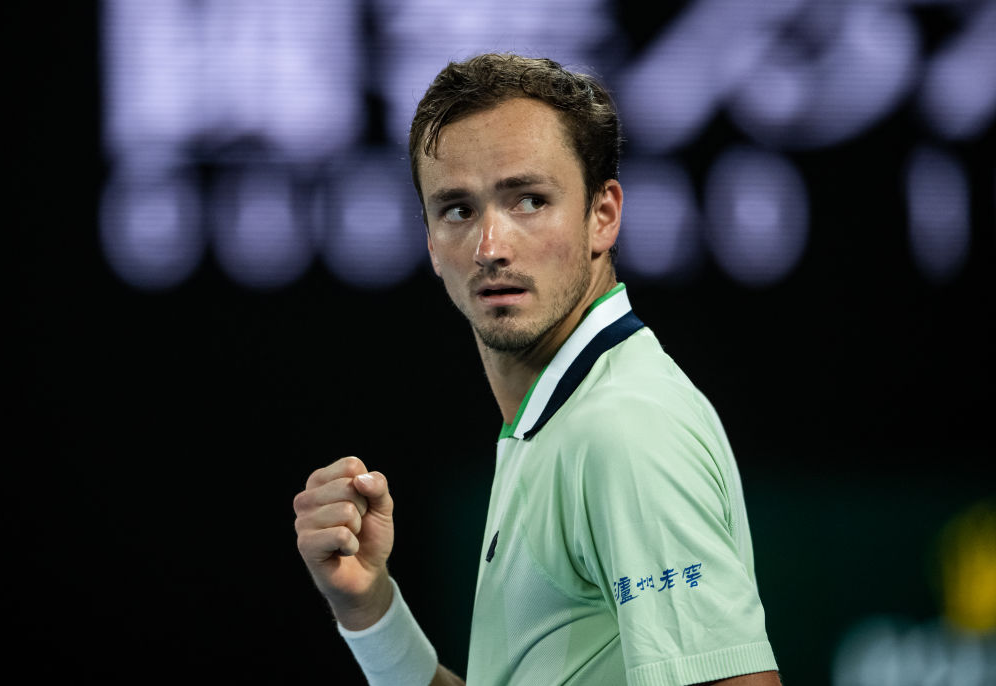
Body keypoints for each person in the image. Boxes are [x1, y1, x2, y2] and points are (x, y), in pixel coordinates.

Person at [293, 53, 781, 686]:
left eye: (528, 200)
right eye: (458, 210)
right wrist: (369, 609)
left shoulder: (622, 429)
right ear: (431, 243)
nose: (490, 248)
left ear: (603, 215)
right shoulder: (566, 417)